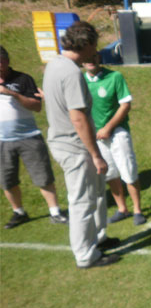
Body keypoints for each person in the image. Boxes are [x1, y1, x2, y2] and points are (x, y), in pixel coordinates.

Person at [43, 21, 120, 269]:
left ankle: (98, 238)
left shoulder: (54, 64)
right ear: (85, 44)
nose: (95, 51)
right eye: (94, 46)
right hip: (75, 146)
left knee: (96, 194)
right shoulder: (71, 73)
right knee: (82, 202)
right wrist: (95, 154)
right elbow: (78, 118)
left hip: (66, 142)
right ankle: (85, 255)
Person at [0, 46, 68, 229]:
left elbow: (36, 106)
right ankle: (19, 212)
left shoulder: (23, 79)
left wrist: (13, 94)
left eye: (1, 62)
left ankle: (55, 212)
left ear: (7, 61)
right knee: (6, 180)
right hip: (2, 140)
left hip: (28, 136)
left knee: (43, 176)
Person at [83, 53, 146, 226]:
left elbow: (125, 105)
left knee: (128, 170)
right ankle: (122, 209)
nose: (90, 61)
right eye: (86, 58)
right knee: (110, 173)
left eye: (93, 57)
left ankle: (137, 210)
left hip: (117, 132)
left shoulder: (115, 77)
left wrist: (108, 128)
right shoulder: (80, 81)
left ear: (98, 58)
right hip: (96, 136)